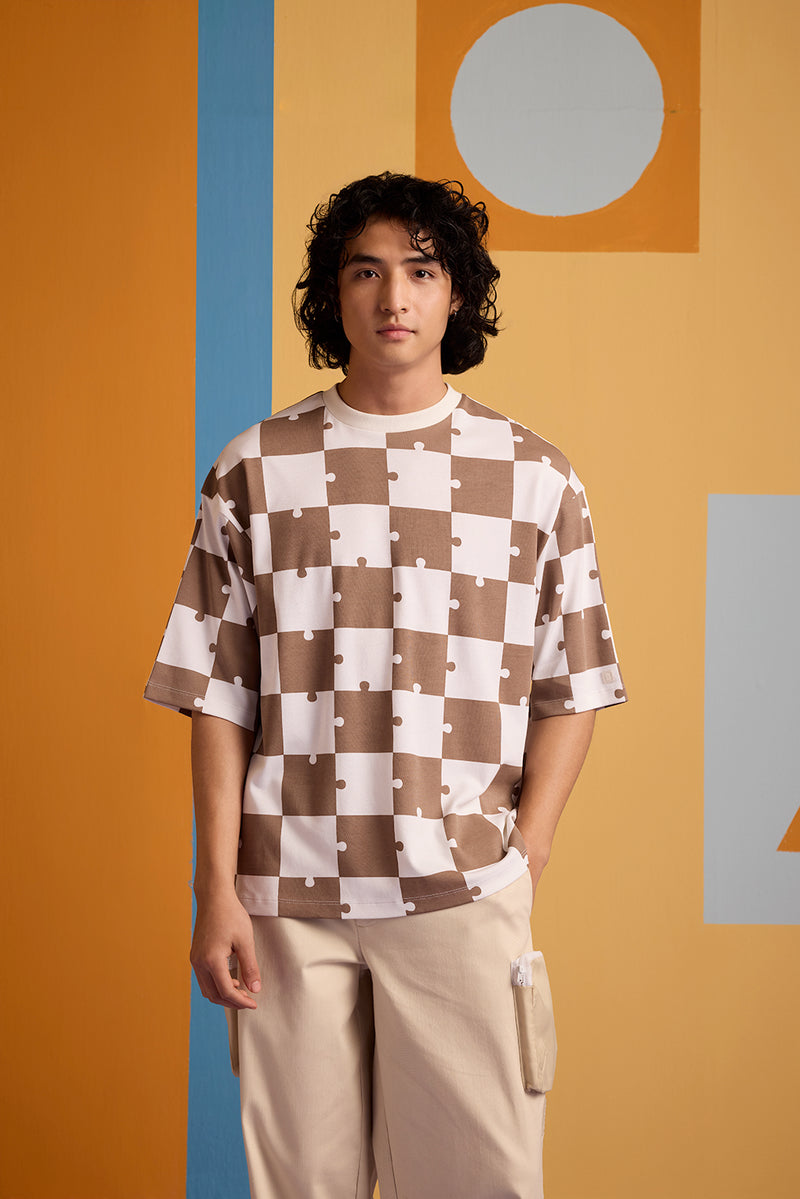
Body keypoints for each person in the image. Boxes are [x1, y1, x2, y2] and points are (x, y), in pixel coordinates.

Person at [145, 171, 626, 1198]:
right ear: (334, 294)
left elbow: (572, 681)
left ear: (458, 294)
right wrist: (214, 887)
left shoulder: (536, 478)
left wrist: (528, 848)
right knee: (303, 1184)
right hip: (286, 897)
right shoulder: (254, 468)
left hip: (460, 889)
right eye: (365, 272)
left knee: (478, 1181)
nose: (393, 298)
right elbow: (220, 694)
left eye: (420, 271)